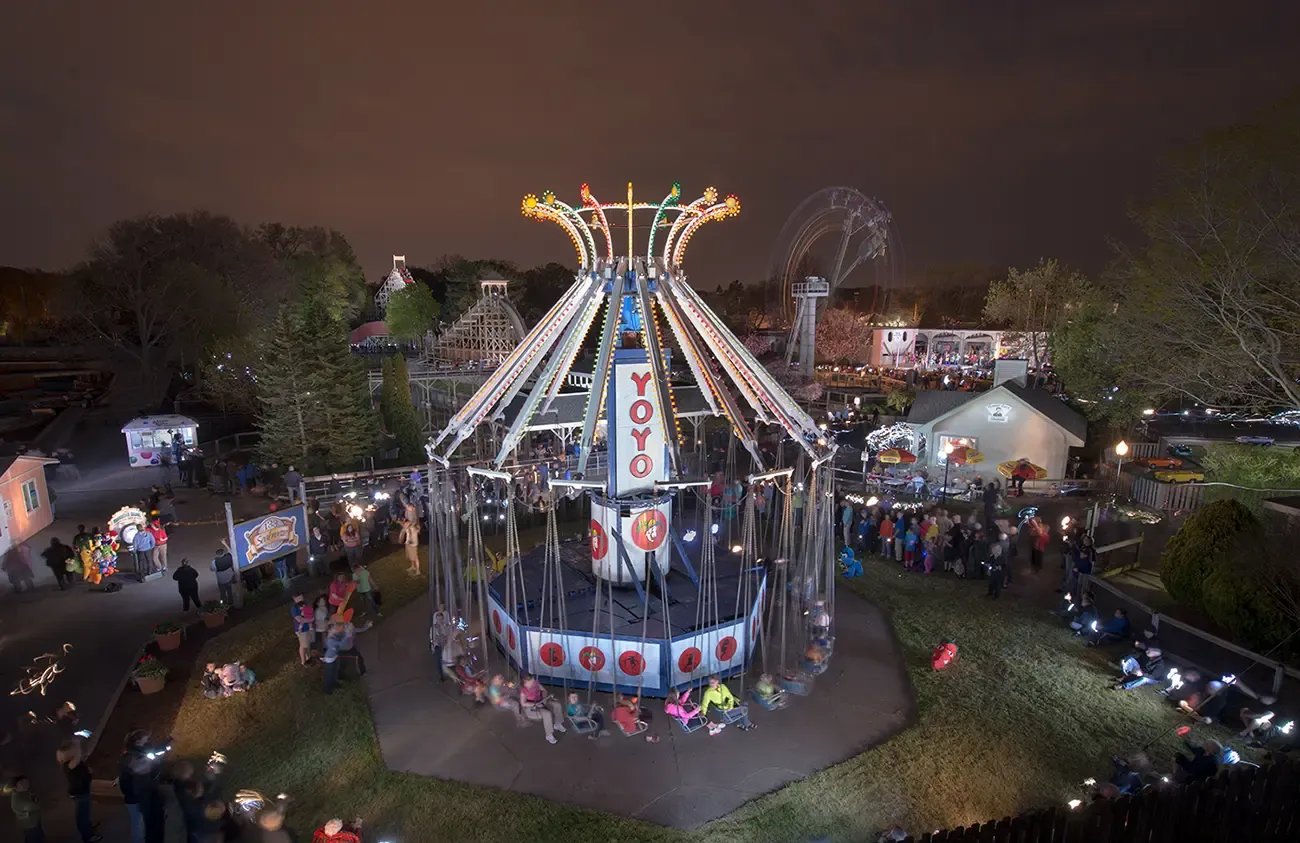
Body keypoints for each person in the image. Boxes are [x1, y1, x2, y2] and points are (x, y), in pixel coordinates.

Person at [57, 742, 101, 842]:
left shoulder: (71, 764)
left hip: (81, 792)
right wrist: (89, 773)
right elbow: (82, 778)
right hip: (80, 793)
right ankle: (87, 837)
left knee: (84, 814)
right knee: (83, 816)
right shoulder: (70, 766)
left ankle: (88, 828)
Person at [519, 674, 567, 744]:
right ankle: (549, 735)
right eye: (531, 681)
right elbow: (523, 703)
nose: (533, 682)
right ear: (525, 682)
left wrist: (544, 698)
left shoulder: (535, 683)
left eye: (533, 680)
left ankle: (557, 724)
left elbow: (544, 690)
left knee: (557, 705)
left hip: (542, 701)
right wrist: (534, 704)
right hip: (532, 707)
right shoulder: (523, 691)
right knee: (547, 714)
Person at [6, 775, 42, 843]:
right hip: (29, 826)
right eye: (21, 783)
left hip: (35, 823)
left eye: (26, 783)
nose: (24, 785)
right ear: (16, 785)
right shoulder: (17, 797)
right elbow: (31, 806)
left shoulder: (26, 793)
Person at [430, 608, 453, 680]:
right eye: (438, 619)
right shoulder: (433, 628)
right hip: (438, 645)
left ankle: (451, 673)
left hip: (446, 645)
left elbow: (450, 635)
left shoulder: (447, 626)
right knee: (438, 659)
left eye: (441, 619)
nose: (439, 621)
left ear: (443, 619)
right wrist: (434, 644)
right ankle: (441, 675)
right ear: (436, 620)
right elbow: (432, 637)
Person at [292, 594, 314, 666]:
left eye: (301, 597)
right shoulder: (294, 608)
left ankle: (309, 657)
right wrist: (310, 620)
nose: (301, 599)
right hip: (301, 630)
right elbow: (299, 619)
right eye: (298, 598)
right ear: (294, 598)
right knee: (303, 645)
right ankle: (303, 661)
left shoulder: (304, 602)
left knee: (307, 643)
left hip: (307, 628)